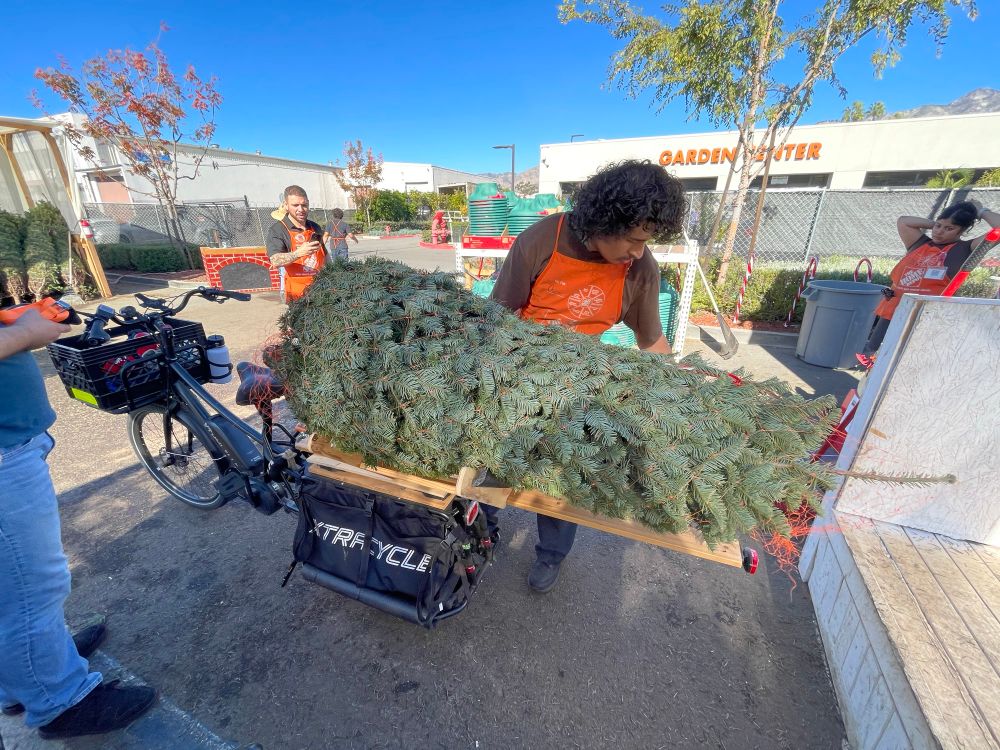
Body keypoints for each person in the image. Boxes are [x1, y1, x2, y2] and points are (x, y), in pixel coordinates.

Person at [485, 160, 685, 593]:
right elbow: (497, 320)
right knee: (495, 464)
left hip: (579, 385)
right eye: (633, 239)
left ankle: (551, 555)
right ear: (607, 219)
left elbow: (651, 341)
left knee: (563, 477)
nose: (639, 250)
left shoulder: (640, 269)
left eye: (646, 241)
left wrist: (679, 396)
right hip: (519, 373)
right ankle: (482, 529)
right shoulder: (539, 242)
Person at [0, 309, 156, 739]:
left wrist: (16, 322)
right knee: (31, 590)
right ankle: (61, 704)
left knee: (12, 589)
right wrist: (27, 333)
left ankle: (31, 675)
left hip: (12, 444)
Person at [862, 200, 1000, 357]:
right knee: (871, 357)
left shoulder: (964, 249)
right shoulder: (918, 243)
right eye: (938, 226)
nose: (939, 232)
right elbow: (904, 221)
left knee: (903, 359)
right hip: (892, 312)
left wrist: (981, 211)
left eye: (949, 228)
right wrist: (940, 223)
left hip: (923, 317)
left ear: (962, 231)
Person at [266, 185, 329, 303]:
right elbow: (275, 260)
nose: (301, 209)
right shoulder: (278, 229)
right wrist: (298, 253)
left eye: (304, 205)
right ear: (286, 205)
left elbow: (324, 255)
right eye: (295, 205)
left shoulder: (315, 227)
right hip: (297, 294)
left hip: (320, 289)